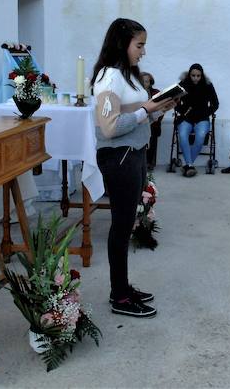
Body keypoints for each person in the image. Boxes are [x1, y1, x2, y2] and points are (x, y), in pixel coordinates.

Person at [92, 18, 176, 317]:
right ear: (121, 43)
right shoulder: (109, 76)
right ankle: (119, 296)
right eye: (139, 45)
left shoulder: (128, 75)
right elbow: (111, 126)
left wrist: (159, 110)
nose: (143, 52)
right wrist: (147, 109)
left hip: (135, 154)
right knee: (121, 225)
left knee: (128, 224)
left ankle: (123, 287)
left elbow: (137, 118)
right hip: (119, 157)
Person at [174, 63, 220, 177]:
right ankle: (190, 165)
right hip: (186, 117)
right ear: (189, 75)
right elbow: (174, 101)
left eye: (198, 76)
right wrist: (183, 111)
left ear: (202, 75)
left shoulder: (208, 85)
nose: (195, 78)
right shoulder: (183, 85)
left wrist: (206, 112)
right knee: (183, 135)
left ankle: (188, 165)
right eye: (193, 75)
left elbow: (215, 104)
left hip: (202, 118)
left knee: (200, 138)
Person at [139, 72, 163, 171]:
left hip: (153, 122)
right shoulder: (136, 93)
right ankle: (140, 162)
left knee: (152, 136)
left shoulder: (155, 93)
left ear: (150, 82)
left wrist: (154, 119)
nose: (145, 83)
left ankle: (150, 163)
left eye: (147, 81)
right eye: (142, 81)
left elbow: (161, 108)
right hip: (140, 122)